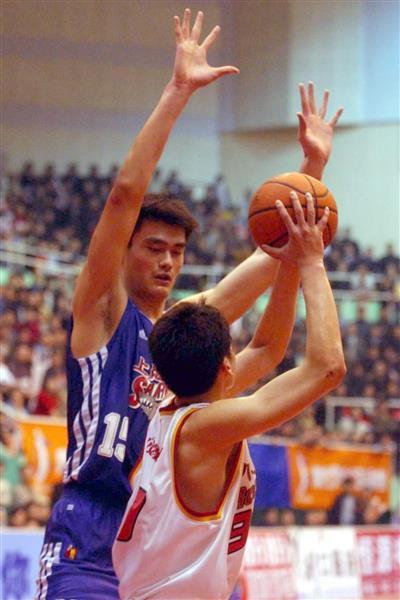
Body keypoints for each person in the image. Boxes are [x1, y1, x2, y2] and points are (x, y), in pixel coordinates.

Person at [36, 8, 343, 599]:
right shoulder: (103, 312)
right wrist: (178, 91)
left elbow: (270, 263)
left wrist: (309, 178)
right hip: (91, 532)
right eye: (154, 248)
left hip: (161, 535)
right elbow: (125, 196)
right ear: (125, 252)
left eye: (177, 251)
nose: (168, 262)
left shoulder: (183, 331)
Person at [113, 192, 346, 599]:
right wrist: (312, 262)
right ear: (226, 366)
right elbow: (327, 368)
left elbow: (268, 348)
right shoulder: (206, 428)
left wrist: (290, 262)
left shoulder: (177, 410)